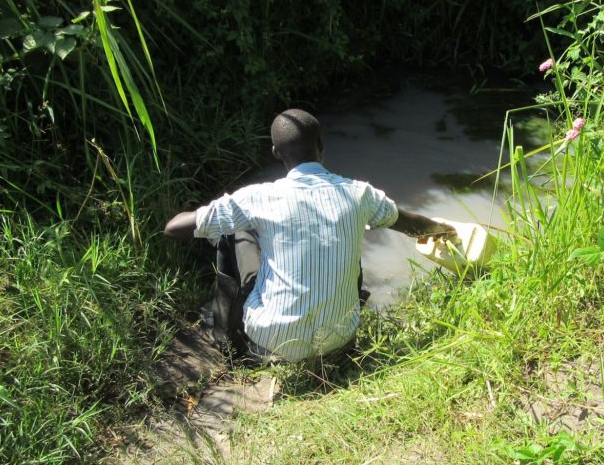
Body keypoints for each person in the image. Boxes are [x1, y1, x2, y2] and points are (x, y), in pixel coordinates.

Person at [164, 108, 454, 363]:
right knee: (350, 234)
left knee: (234, 229)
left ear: (276, 152)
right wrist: (446, 231)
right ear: (321, 146)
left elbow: (174, 229)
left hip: (271, 339)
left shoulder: (258, 197)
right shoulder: (359, 194)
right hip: (340, 336)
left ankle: (228, 335)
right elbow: (412, 224)